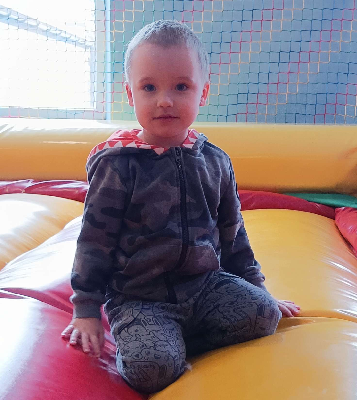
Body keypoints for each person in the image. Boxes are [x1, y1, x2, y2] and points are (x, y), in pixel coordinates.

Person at [61, 20, 300, 394]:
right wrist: (86, 309)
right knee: (151, 369)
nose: (164, 100)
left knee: (263, 315)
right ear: (130, 94)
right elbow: (94, 240)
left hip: (203, 286)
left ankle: (172, 341)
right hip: (140, 297)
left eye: (181, 87)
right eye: (149, 87)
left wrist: (256, 286)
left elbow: (233, 233)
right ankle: (155, 344)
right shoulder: (119, 165)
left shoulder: (215, 161)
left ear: (203, 92)